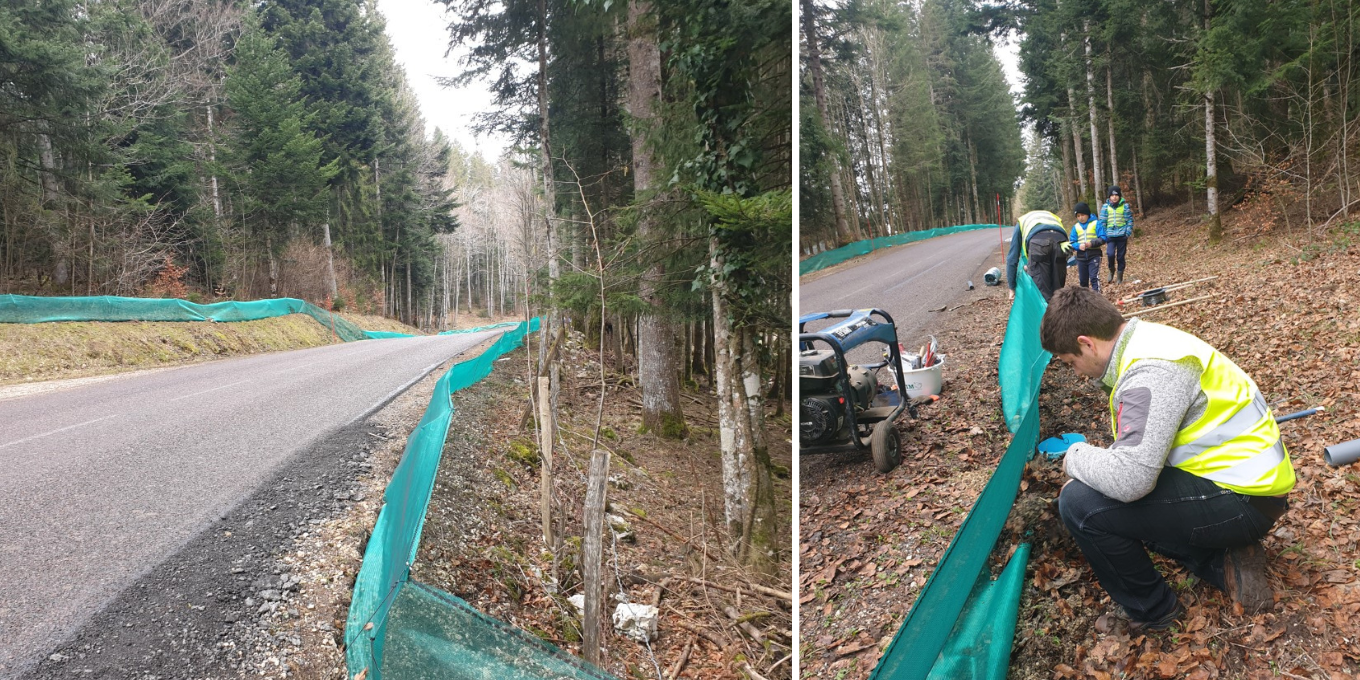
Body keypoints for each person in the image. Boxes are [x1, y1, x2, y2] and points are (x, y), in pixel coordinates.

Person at [1040, 287, 1294, 630]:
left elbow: (1131, 481)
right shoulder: (1147, 339)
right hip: (1249, 484)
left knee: (1080, 503)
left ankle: (1154, 613)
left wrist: (1074, 457)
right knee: (1118, 496)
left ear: (1086, 343)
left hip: (1243, 498)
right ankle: (1225, 565)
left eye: (1072, 363)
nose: (1077, 373)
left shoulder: (1150, 371)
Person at [1005, 210, 1071, 302]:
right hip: (1061, 240)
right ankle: (1059, 313)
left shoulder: (1022, 221)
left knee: (1042, 295)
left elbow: (1012, 258)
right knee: (1058, 293)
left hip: (1039, 242)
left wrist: (1012, 287)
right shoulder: (1053, 218)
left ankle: (1046, 314)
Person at [1069, 202, 1106, 292]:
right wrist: (1078, 246)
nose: (1080, 218)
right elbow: (1071, 242)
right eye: (1078, 216)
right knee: (1083, 281)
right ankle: (1086, 301)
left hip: (1094, 255)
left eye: (1082, 215)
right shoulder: (1076, 227)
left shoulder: (1096, 223)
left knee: (1094, 277)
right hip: (1081, 257)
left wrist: (1091, 243)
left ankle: (1098, 298)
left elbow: (1103, 238)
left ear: (1087, 214)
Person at [1099, 186, 1133, 284]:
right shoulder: (1105, 207)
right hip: (1110, 235)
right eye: (1112, 195)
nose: (1114, 197)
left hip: (1122, 235)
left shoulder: (1124, 206)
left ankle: (1119, 276)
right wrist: (1104, 234)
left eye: (1116, 195)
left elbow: (1129, 220)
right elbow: (1102, 221)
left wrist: (1127, 232)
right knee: (1110, 254)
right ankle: (1111, 269)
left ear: (1119, 196)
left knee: (1121, 256)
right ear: (1109, 197)